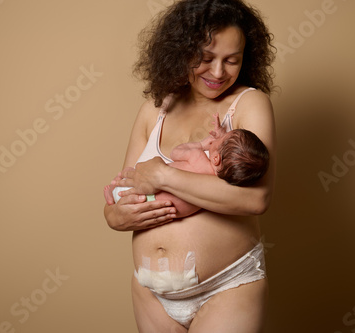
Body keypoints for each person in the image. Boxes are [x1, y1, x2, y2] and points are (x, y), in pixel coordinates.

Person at [103, 0, 276, 331]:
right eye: (205, 58)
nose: (217, 72)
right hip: (150, 292)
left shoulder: (248, 104)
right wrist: (114, 216)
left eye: (232, 60)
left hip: (227, 286)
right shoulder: (155, 110)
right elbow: (125, 190)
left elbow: (256, 199)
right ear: (180, 50)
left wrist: (164, 174)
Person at [104, 113, 270, 218]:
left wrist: (201, 145)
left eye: (222, 137)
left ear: (216, 159)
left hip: (144, 200)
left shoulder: (197, 157)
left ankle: (113, 191)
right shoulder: (218, 186)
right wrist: (220, 142)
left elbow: (176, 152)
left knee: (127, 176)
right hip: (157, 209)